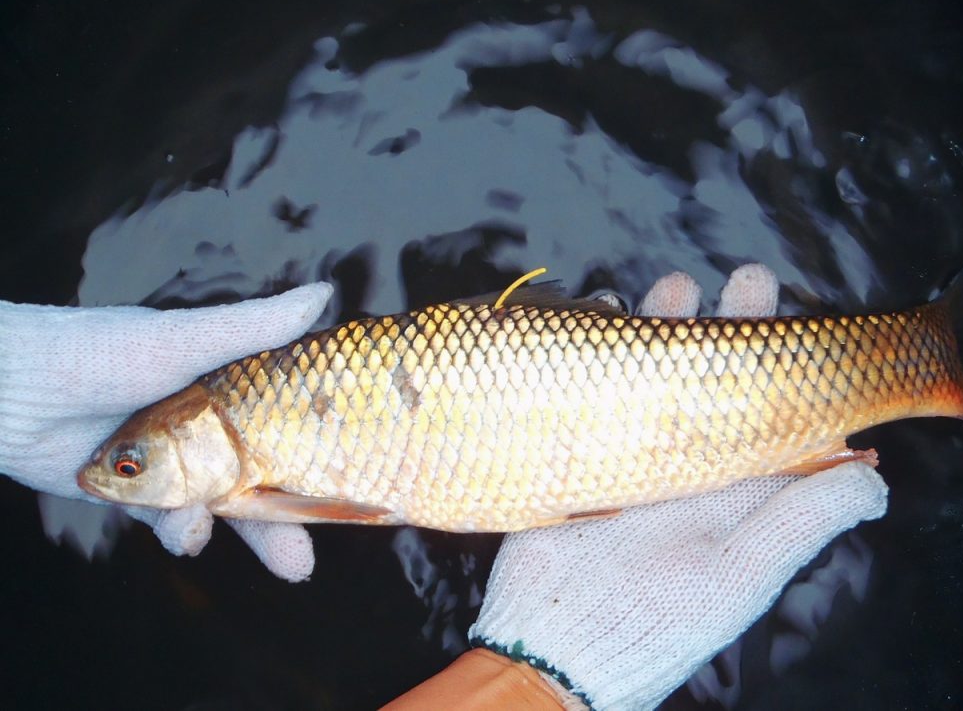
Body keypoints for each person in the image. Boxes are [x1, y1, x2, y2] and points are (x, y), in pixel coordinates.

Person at [0, 267, 886, 710]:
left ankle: (900, 364)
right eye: (129, 467)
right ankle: (890, 366)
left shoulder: (250, 446)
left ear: (198, 438)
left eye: (125, 466)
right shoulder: (241, 425)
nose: (109, 479)